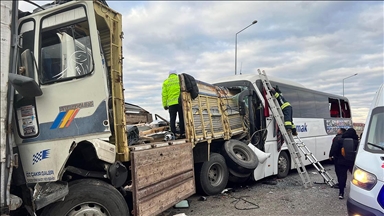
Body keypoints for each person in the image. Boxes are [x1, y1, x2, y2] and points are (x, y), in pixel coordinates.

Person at [336, 128, 359, 199]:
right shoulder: (356, 142)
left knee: (342, 176)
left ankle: (341, 193)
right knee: (356, 177)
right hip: (352, 161)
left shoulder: (340, 140)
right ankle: (357, 193)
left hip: (342, 161)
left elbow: (336, 150)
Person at [162, 70, 185, 138]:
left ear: (169, 74)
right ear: (175, 73)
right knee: (182, 118)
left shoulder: (166, 82)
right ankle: (182, 133)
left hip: (171, 104)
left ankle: (173, 134)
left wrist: (165, 105)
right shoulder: (179, 79)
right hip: (180, 102)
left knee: (172, 119)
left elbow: (164, 95)